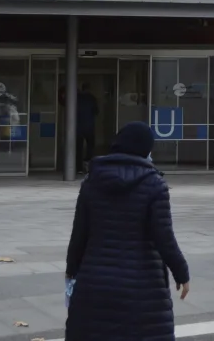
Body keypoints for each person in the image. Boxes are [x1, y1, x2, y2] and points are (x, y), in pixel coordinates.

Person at [64, 121, 190, 341]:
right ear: (145, 150)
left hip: (94, 282)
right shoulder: (154, 185)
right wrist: (181, 273)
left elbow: (79, 234)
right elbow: (164, 238)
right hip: (141, 286)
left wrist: (71, 270)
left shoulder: (91, 181)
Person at [75, 82, 99, 174]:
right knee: (90, 146)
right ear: (89, 89)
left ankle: (79, 168)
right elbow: (96, 111)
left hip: (78, 127)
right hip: (89, 126)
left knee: (79, 148)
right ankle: (88, 163)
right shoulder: (92, 98)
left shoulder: (77, 98)